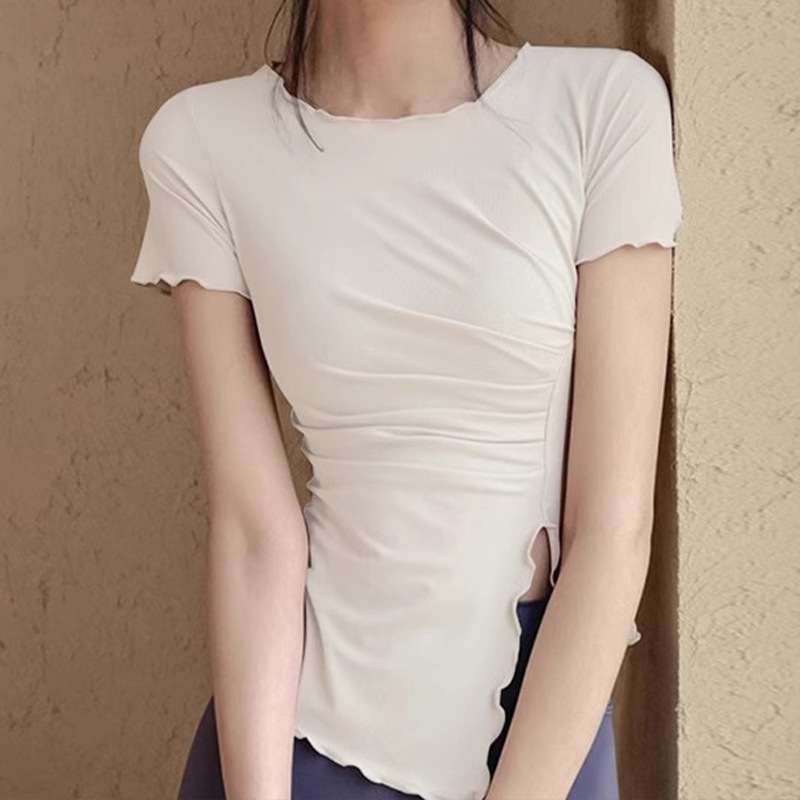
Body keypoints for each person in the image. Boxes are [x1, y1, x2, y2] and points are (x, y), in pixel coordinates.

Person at [129, 2, 683, 799]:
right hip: (291, 742)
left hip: (534, 737)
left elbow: (613, 533)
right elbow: (254, 532)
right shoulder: (203, 140)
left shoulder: (602, 108)